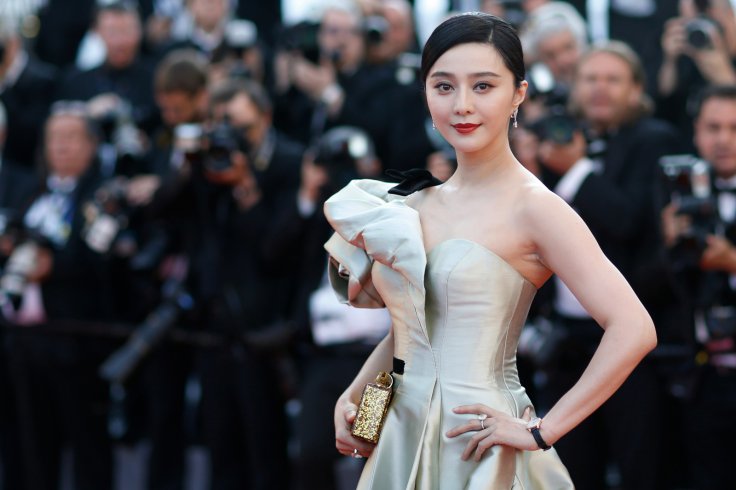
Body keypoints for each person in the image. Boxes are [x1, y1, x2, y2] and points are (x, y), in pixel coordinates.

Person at [325, 12, 657, 489]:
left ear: (518, 95)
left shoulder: (536, 209)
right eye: (444, 87)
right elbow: (408, 338)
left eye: (483, 86)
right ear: (425, 94)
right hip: (401, 439)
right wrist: (360, 401)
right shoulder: (412, 204)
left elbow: (634, 328)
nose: (462, 105)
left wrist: (543, 431)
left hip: (479, 448)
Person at [659, 84, 736, 490]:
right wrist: (668, 246)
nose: (724, 139)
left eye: (734, 128)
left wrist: (731, 262)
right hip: (699, 378)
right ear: (696, 132)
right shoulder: (673, 192)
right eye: (714, 127)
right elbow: (652, 289)